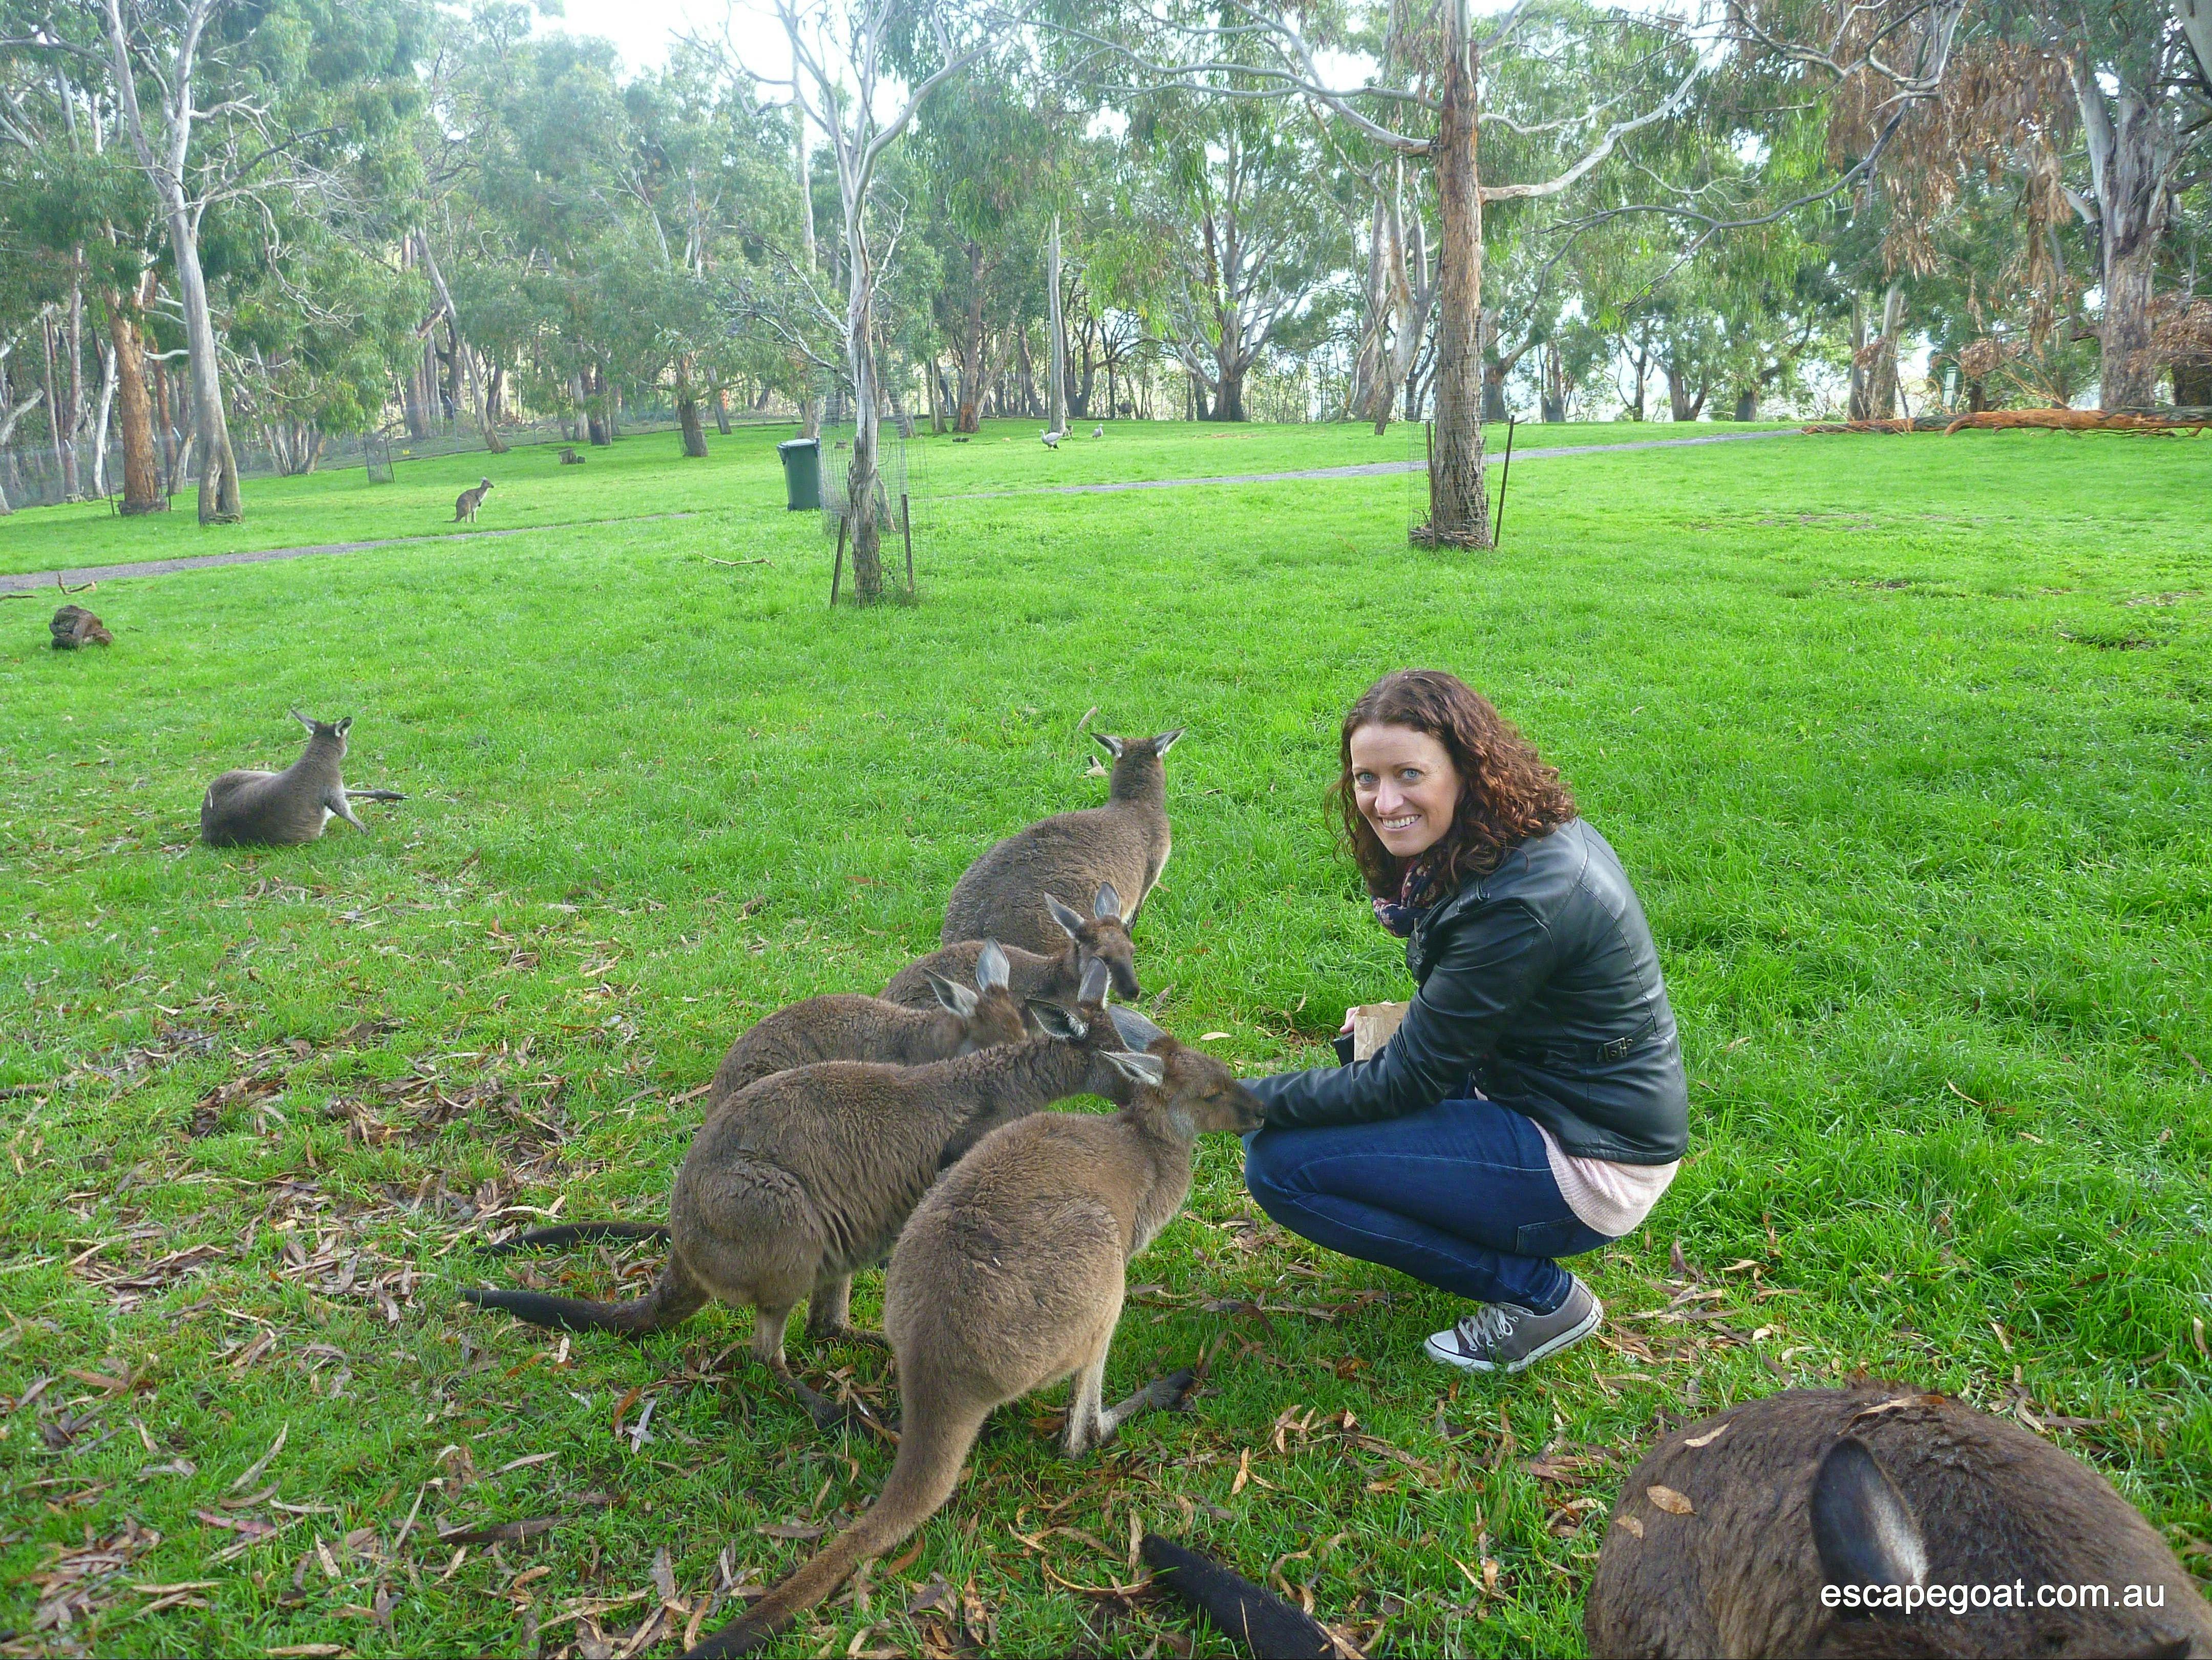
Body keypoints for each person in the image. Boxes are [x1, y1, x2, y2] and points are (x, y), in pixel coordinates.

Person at [1243, 670, 1688, 1374]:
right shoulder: (1507, 838)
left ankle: (1541, 1297)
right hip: (1551, 1092)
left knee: (1283, 1165)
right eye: (1366, 778)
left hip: (1592, 1159)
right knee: (1353, 1064)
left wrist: (1226, 1097)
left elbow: (1403, 1084)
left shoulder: (1521, 901)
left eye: (1409, 774)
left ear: (1466, 770)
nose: (1384, 802)